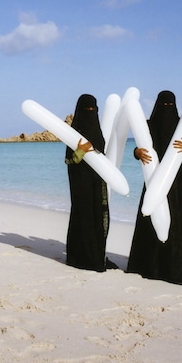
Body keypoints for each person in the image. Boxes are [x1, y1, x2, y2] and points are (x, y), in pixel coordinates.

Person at [126, 91, 182, 286]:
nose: (167, 109)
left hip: (178, 183)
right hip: (153, 180)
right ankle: (152, 267)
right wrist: (136, 152)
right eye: (164, 105)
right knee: (153, 220)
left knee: (178, 224)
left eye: (170, 105)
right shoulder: (147, 125)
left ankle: (175, 267)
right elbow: (140, 148)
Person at [64, 94, 113, 272]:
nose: (90, 112)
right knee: (83, 216)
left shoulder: (97, 131)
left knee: (98, 216)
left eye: (93, 109)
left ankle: (98, 255)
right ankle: (81, 257)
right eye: (87, 109)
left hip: (97, 182)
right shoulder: (74, 131)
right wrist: (80, 151)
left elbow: (102, 155)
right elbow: (69, 160)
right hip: (81, 183)